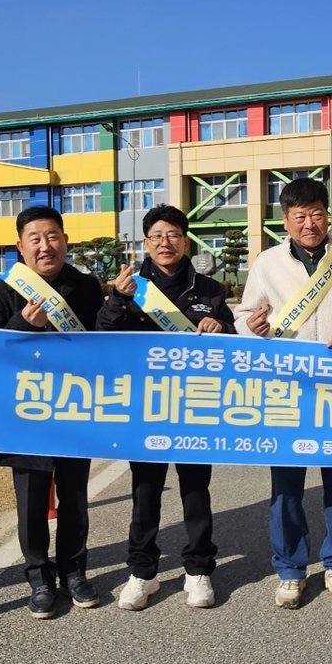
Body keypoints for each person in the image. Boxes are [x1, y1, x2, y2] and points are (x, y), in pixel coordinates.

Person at [236, 177, 332, 610]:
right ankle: (290, 567)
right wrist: (251, 327)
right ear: (285, 221)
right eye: (300, 216)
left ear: (328, 216)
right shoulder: (267, 263)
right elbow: (244, 315)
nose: (310, 224)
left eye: (317, 214)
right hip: (287, 390)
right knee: (286, 482)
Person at [96, 204, 235, 611]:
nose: (165, 242)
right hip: (146, 407)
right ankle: (142, 572)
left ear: (185, 241)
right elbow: (102, 334)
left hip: (195, 406)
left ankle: (199, 569)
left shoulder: (209, 290)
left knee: (195, 491)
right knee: (145, 492)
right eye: (156, 236)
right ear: (145, 243)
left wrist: (221, 327)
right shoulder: (129, 286)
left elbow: (233, 340)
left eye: (173, 234)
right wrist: (117, 299)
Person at [0, 206, 105, 618]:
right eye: (35, 238)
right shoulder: (1, 291)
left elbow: (106, 340)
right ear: (20, 246)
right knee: (31, 502)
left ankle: (75, 573)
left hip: (74, 410)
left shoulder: (85, 287)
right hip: (25, 414)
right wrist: (21, 323)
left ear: (65, 241)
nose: (45, 246)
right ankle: (38, 579)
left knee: (75, 499)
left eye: (52, 236)